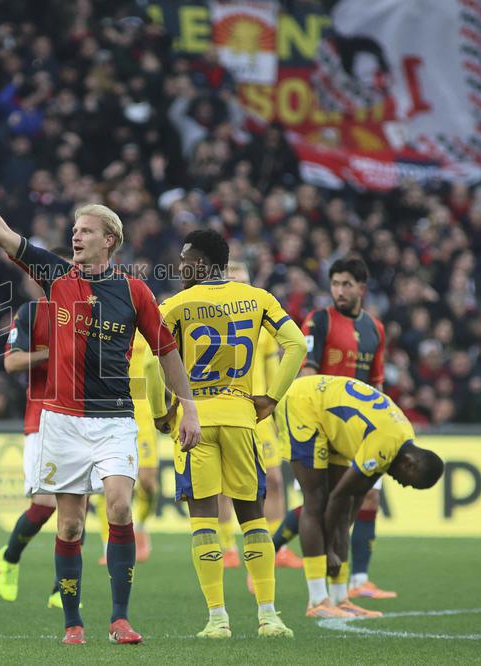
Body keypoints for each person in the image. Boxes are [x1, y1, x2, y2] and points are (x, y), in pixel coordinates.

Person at [0, 162, 201, 646]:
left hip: (115, 420)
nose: (75, 237)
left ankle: (120, 618)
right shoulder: (57, 277)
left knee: (121, 508)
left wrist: (188, 406)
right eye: (74, 230)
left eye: (86, 231)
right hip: (61, 421)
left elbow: (167, 350)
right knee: (70, 521)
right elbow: (1, 234)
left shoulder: (134, 291)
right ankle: (73, 623)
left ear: (110, 240)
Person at [156, 230, 306, 639]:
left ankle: (218, 619)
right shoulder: (259, 299)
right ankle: (269, 616)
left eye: (186, 259)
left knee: (204, 520)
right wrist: (271, 398)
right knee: (253, 517)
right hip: (243, 418)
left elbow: (157, 359)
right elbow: (296, 345)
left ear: (202, 264)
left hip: (193, 423)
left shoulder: (174, 305)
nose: (181, 265)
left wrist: (161, 411)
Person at [272, 256, 395, 600]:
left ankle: (348, 586)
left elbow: (376, 385)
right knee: (321, 500)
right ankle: (315, 587)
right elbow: (307, 372)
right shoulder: (319, 321)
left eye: (346, 284)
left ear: (362, 289)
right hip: (320, 424)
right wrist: (324, 417)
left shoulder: (376, 330)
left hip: (356, 430)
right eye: (335, 284)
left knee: (349, 501)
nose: (339, 291)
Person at [278, 375, 444, 618]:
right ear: (409, 464)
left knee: (345, 511)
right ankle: (317, 601)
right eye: (410, 483)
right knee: (316, 500)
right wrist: (330, 549)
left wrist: (338, 538)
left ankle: (338, 598)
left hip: (328, 415)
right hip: (305, 404)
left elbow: (352, 500)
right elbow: (338, 496)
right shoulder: (386, 445)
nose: (403, 485)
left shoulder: (401, 439)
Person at [0, 249, 76, 609]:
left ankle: (63, 588)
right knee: (44, 504)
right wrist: (51, 354)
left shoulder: (88, 314)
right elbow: (12, 363)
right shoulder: (32, 314)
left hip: (83, 417)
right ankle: (10, 558)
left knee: (78, 506)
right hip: (42, 418)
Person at [216, 261, 303, 573]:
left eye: (243, 280)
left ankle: (276, 545)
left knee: (275, 481)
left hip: (262, 415)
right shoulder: (219, 322)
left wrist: (276, 409)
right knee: (226, 485)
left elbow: (273, 371)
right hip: (231, 409)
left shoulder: (263, 326)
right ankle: (227, 546)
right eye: (233, 279)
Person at [96, 330, 166, 565]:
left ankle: (142, 527)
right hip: (111, 409)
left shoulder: (146, 327)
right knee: (106, 483)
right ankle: (108, 547)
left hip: (143, 413)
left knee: (147, 482)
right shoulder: (106, 325)